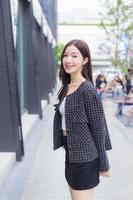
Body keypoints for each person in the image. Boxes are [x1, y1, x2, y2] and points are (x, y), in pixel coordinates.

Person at [53, 39, 112, 200]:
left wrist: (103, 164)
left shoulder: (88, 91)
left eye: (74, 56)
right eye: (65, 55)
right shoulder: (66, 87)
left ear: (85, 60)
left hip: (85, 159)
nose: (68, 60)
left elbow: (99, 130)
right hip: (71, 154)